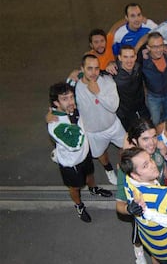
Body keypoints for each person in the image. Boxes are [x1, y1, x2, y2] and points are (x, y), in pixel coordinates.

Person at [47, 83, 112, 223]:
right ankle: (79, 206)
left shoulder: (69, 109)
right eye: (65, 99)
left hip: (85, 154)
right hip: (72, 164)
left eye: (71, 97)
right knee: (75, 187)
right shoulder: (55, 126)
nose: (71, 102)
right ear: (56, 103)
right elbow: (76, 143)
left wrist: (77, 73)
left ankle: (93, 189)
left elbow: (76, 78)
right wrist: (74, 119)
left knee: (89, 174)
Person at [116, 118, 167, 264]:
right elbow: (119, 204)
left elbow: (160, 168)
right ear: (134, 140)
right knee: (139, 236)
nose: (151, 143)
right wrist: (130, 208)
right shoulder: (127, 168)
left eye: (154, 137)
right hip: (141, 212)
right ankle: (138, 249)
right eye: (145, 139)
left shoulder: (157, 149)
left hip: (159, 204)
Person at [75, 54, 125, 185]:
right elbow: (63, 103)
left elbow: (114, 107)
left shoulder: (108, 82)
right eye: (89, 68)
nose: (93, 72)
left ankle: (123, 169)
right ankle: (109, 169)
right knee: (100, 154)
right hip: (93, 132)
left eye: (96, 68)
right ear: (82, 69)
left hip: (114, 126)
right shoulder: (75, 89)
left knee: (125, 147)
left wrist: (98, 93)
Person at [105, 45, 150, 131]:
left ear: (136, 57)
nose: (129, 61)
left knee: (148, 128)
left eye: (132, 57)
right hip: (125, 112)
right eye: (125, 57)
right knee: (133, 134)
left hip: (141, 107)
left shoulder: (138, 66)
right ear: (119, 57)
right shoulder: (112, 72)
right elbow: (94, 75)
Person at [139, 32, 167, 126]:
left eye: (161, 45)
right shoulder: (142, 60)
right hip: (153, 97)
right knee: (155, 121)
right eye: (155, 47)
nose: (159, 50)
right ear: (148, 48)